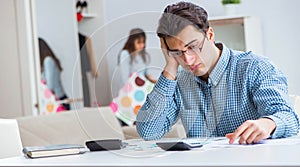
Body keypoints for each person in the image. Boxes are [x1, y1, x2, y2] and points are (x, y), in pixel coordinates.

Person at [136, 2, 299, 144]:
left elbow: (289, 117)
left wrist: (268, 123)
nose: (188, 60)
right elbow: (149, 132)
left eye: (193, 47)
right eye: (178, 52)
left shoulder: (255, 67)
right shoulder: (179, 80)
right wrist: (170, 66)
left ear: (210, 35)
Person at [39, 38, 70, 110]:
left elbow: (50, 86)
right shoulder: (48, 60)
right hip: (59, 99)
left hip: (59, 100)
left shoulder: (48, 60)